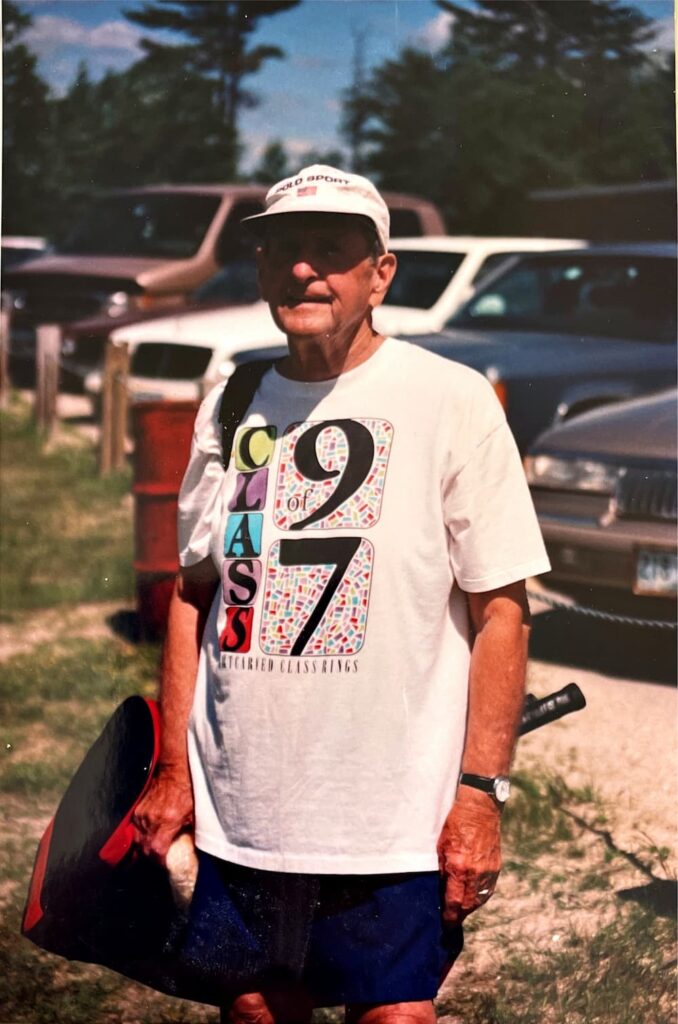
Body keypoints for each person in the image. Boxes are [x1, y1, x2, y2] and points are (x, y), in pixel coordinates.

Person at [133, 165, 550, 1022]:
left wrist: (480, 794)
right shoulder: (233, 400)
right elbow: (193, 590)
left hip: (391, 817)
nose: (302, 270)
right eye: (283, 248)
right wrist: (174, 769)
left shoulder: (450, 399)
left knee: (395, 1015)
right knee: (253, 1007)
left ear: (380, 274)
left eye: (331, 249)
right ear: (259, 267)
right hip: (238, 805)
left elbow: (502, 610)